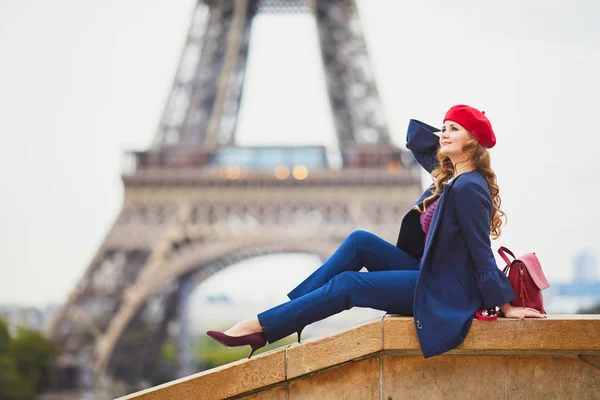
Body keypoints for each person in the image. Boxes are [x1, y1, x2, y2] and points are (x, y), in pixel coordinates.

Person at [207, 104, 546, 359]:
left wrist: (506, 306)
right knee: (360, 241)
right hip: (431, 272)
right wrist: (451, 130)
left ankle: (263, 327)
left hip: (446, 289)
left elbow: (479, 249)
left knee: (348, 285)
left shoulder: (470, 186)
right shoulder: (451, 177)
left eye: (454, 129)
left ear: (472, 142)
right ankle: (296, 309)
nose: (443, 133)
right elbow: (416, 136)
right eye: (443, 127)